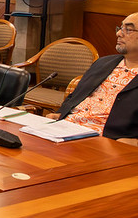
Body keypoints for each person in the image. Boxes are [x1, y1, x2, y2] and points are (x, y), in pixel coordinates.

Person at [47, 13, 138, 144]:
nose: (119, 34)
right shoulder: (103, 63)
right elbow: (75, 96)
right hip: (65, 130)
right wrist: (61, 113)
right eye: (120, 28)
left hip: (105, 140)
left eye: (128, 29)